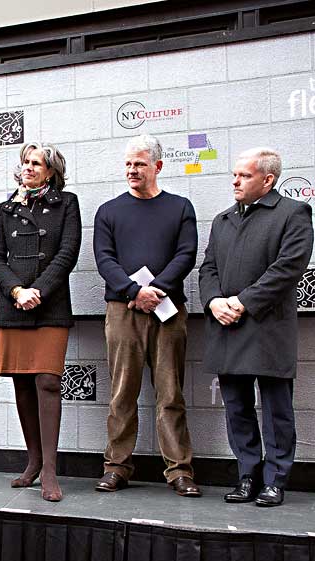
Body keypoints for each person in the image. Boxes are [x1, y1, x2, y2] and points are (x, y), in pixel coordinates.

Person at [199, 147, 313, 507]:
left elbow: (288, 268)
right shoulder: (222, 219)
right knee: (237, 408)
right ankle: (248, 475)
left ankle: (275, 479)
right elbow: (208, 269)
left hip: (267, 328)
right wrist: (215, 301)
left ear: (267, 180)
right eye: (234, 174)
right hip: (226, 325)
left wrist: (242, 302)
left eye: (244, 175)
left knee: (278, 409)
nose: (235, 181)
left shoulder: (293, 213)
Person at [92, 134, 201, 497]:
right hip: (123, 311)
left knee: (171, 394)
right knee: (122, 393)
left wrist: (156, 290)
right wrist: (133, 292)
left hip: (168, 311)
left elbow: (186, 254)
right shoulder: (108, 211)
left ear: (157, 166)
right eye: (127, 164)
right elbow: (104, 259)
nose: (132, 170)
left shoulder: (181, 207)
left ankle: (179, 471)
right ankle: (116, 467)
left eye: (139, 164)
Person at [0, 141, 81, 502]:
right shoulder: (6, 208)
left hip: (49, 303)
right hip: (14, 306)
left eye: (37, 164)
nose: (28, 168)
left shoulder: (66, 203)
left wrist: (38, 291)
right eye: (25, 162)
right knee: (22, 385)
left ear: (51, 171)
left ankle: (51, 472)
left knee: (47, 382)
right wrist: (16, 291)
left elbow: (67, 252)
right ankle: (33, 462)